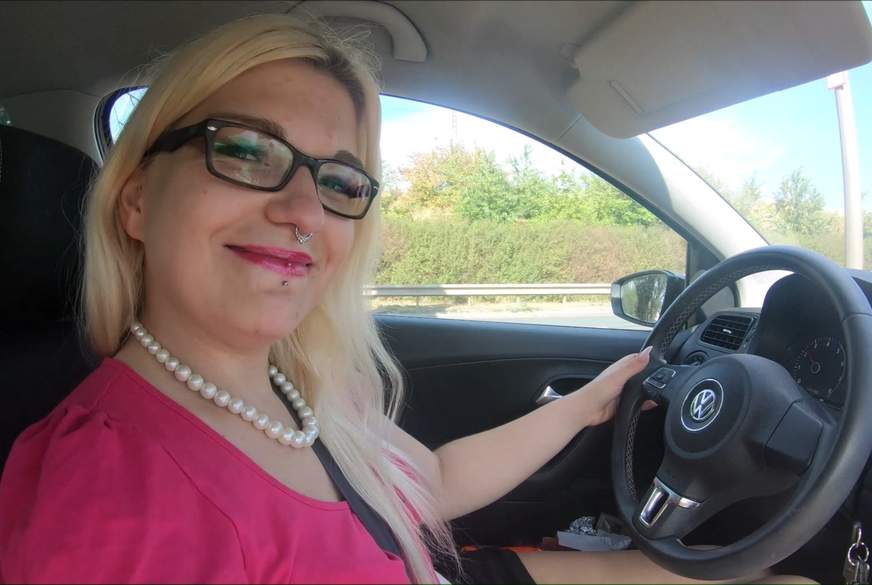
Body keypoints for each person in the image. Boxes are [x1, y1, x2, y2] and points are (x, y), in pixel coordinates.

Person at [0, 13, 811, 584]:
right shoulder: (98, 503)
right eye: (245, 151)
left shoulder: (298, 380)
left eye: (341, 182)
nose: (304, 210)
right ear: (137, 199)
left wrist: (585, 406)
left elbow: (435, 478)